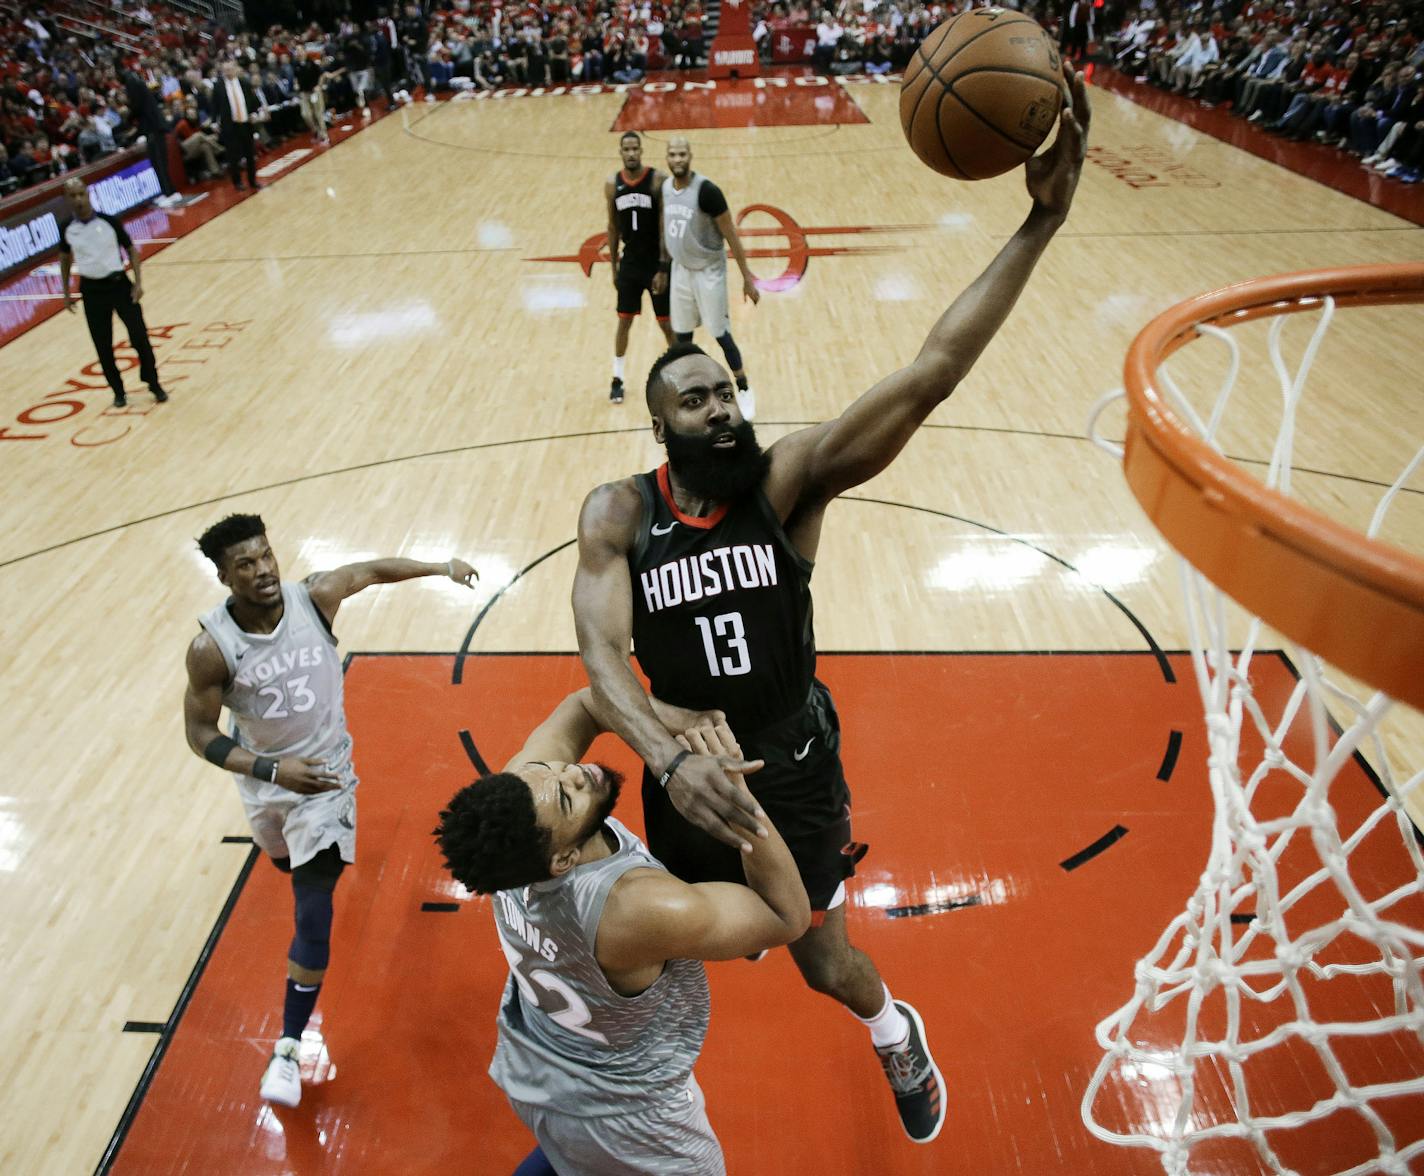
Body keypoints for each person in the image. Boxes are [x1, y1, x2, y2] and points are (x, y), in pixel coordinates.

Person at [572, 61, 1089, 1149]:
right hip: (682, 771)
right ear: (660, 429)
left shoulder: (785, 481)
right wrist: (666, 752)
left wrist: (1037, 228)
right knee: (647, 952)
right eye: (693, 402)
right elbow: (602, 660)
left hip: (789, 764)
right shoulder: (617, 513)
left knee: (821, 959)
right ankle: (631, 1104)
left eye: (722, 391)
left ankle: (893, 1027)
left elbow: (928, 371)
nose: (720, 408)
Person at [435, 696, 809, 1176]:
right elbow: (785, 916)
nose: (574, 772)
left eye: (552, 769)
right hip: (630, 1117)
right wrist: (734, 798)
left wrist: (684, 730)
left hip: (539, 1067)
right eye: (568, 798)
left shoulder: (520, 818)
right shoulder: (635, 908)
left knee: (571, 1154)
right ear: (563, 861)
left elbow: (588, 703)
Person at [182, 513, 478, 1107]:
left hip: (327, 781)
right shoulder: (211, 648)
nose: (263, 569)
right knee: (289, 870)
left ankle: (287, 1049)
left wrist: (441, 566)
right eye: (245, 563)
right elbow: (198, 733)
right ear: (222, 575)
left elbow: (369, 570)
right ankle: (304, 873)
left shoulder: (315, 598)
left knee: (312, 908)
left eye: (265, 555)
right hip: (268, 787)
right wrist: (269, 769)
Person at [660, 135, 761, 419]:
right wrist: (661, 266)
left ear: (690, 156)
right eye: (673, 154)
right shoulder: (666, 188)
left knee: (720, 334)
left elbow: (732, 236)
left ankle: (742, 387)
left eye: (682, 154)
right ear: (667, 157)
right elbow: (666, 229)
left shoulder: (707, 191)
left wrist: (747, 278)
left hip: (709, 271)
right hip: (681, 270)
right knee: (681, 338)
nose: (678, 159)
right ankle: (686, 392)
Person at [57, 178, 168, 409]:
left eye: (81, 194)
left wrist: (138, 283)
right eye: (73, 196)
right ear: (67, 199)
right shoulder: (66, 228)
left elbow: (131, 249)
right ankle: (118, 391)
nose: (78, 200)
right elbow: (65, 258)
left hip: (119, 285)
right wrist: (66, 292)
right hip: (92, 291)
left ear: (88, 194)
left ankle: (153, 383)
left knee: (140, 336)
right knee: (102, 344)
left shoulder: (109, 222)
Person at [606, 130, 675, 406]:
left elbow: (664, 226)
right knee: (624, 322)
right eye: (627, 149)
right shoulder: (612, 184)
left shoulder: (657, 180)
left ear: (641, 151)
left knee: (667, 325)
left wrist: (663, 267)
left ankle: (681, 377)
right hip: (630, 265)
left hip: (653, 265)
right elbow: (612, 226)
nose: (631, 153)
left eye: (635, 148)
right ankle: (617, 378)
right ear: (621, 152)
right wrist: (613, 267)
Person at [121, 67, 180, 207]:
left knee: (159, 163)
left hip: (153, 129)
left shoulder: (132, 84)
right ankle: (169, 191)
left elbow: (137, 108)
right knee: (160, 163)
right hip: (155, 127)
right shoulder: (138, 83)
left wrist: (128, 118)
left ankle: (169, 193)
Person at [212, 59, 262, 190]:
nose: (227, 72)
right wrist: (213, 122)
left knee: (250, 154)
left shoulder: (244, 82)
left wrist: (254, 113)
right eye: (225, 70)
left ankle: (253, 181)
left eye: (230, 69)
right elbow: (214, 106)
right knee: (233, 156)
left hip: (245, 123)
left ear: (235, 69)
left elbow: (253, 101)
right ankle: (238, 182)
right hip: (230, 126)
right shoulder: (218, 86)